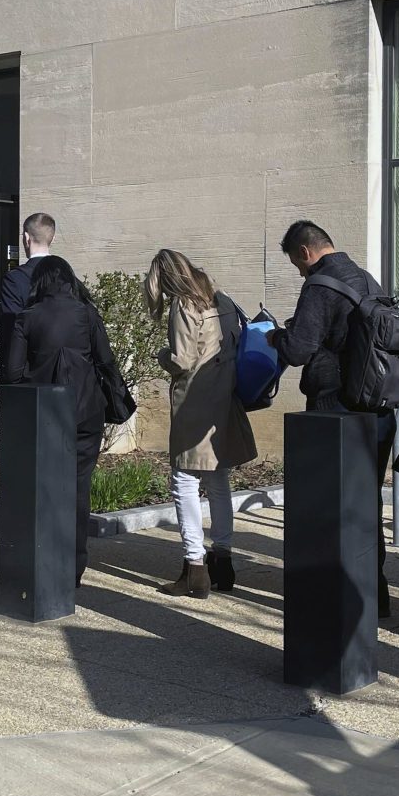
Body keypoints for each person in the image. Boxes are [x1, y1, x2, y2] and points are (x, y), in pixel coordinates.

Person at [267, 220, 396, 617]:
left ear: (305, 252)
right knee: (365, 502)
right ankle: (374, 595)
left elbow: (300, 349)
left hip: (335, 408)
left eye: (296, 263)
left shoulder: (321, 285)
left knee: (330, 506)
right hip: (379, 406)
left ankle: (334, 601)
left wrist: (275, 337)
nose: (299, 271)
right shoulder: (367, 279)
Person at [4, 256, 123, 587]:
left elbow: (13, 373)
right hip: (87, 411)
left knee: (43, 486)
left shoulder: (27, 317)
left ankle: (44, 559)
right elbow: (107, 362)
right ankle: (73, 567)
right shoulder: (87, 313)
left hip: (43, 411)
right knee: (78, 487)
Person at [145, 250, 257, 598]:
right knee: (219, 477)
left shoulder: (184, 303)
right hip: (225, 398)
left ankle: (194, 567)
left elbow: (181, 359)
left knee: (184, 480)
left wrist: (162, 355)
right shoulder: (219, 298)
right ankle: (222, 560)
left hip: (196, 400)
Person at [0, 212, 55, 356]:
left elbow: (11, 330)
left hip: (31, 364)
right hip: (68, 368)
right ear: (52, 238)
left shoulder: (14, 280)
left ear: (26, 238)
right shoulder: (68, 277)